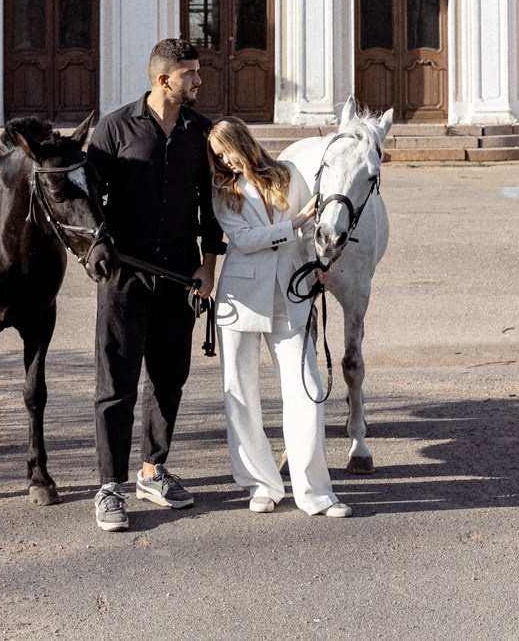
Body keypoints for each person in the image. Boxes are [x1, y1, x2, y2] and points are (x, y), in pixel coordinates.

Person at [82, 38, 224, 534]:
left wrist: (209, 265)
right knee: (116, 383)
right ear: (164, 79)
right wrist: (95, 249)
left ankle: (152, 470)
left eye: (198, 72)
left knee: (169, 377)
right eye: (190, 74)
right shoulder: (114, 129)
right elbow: (86, 199)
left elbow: (212, 206)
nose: (199, 81)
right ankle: (109, 486)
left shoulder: (201, 132)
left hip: (182, 275)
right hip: (125, 275)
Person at [207, 118, 351, 519]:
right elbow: (244, 240)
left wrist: (318, 264)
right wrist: (295, 223)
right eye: (217, 157)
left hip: (290, 293)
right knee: (240, 393)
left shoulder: (288, 175)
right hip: (240, 299)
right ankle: (261, 484)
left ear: (242, 141)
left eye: (227, 151)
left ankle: (315, 492)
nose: (225, 161)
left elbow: (311, 231)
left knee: (307, 388)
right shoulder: (223, 189)